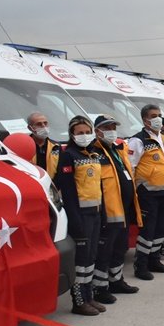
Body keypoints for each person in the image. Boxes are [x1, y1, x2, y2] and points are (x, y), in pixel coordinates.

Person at [54, 115, 104, 315]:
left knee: (91, 257)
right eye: (79, 133)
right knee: (81, 260)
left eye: (87, 132)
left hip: (96, 212)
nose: (84, 136)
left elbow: (98, 186)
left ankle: (89, 295)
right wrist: (75, 220)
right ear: (72, 135)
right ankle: (79, 301)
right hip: (80, 215)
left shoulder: (93, 154)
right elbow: (67, 190)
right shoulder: (69, 155)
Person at [91, 115, 142, 304]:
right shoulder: (93, 153)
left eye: (113, 126)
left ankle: (116, 280)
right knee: (104, 251)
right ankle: (100, 287)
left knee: (120, 248)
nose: (111, 130)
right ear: (97, 131)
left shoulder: (117, 150)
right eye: (107, 127)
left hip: (123, 209)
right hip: (108, 212)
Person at [127, 105, 164, 281]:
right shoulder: (138, 141)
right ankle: (141, 265)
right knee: (147, 230)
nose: (158, 119)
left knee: (160, 228)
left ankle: (154, 260)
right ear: (144, 120)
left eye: (159, 115)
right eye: (154, 116)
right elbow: (130, 167)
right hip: (148, 193)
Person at [27, 112, 61, 179]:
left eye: (45, 123)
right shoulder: (24, 146)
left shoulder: (56, 147)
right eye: (39, 124)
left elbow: (61, 170)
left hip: (52, 186)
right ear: (30, 128)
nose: (43, 126)